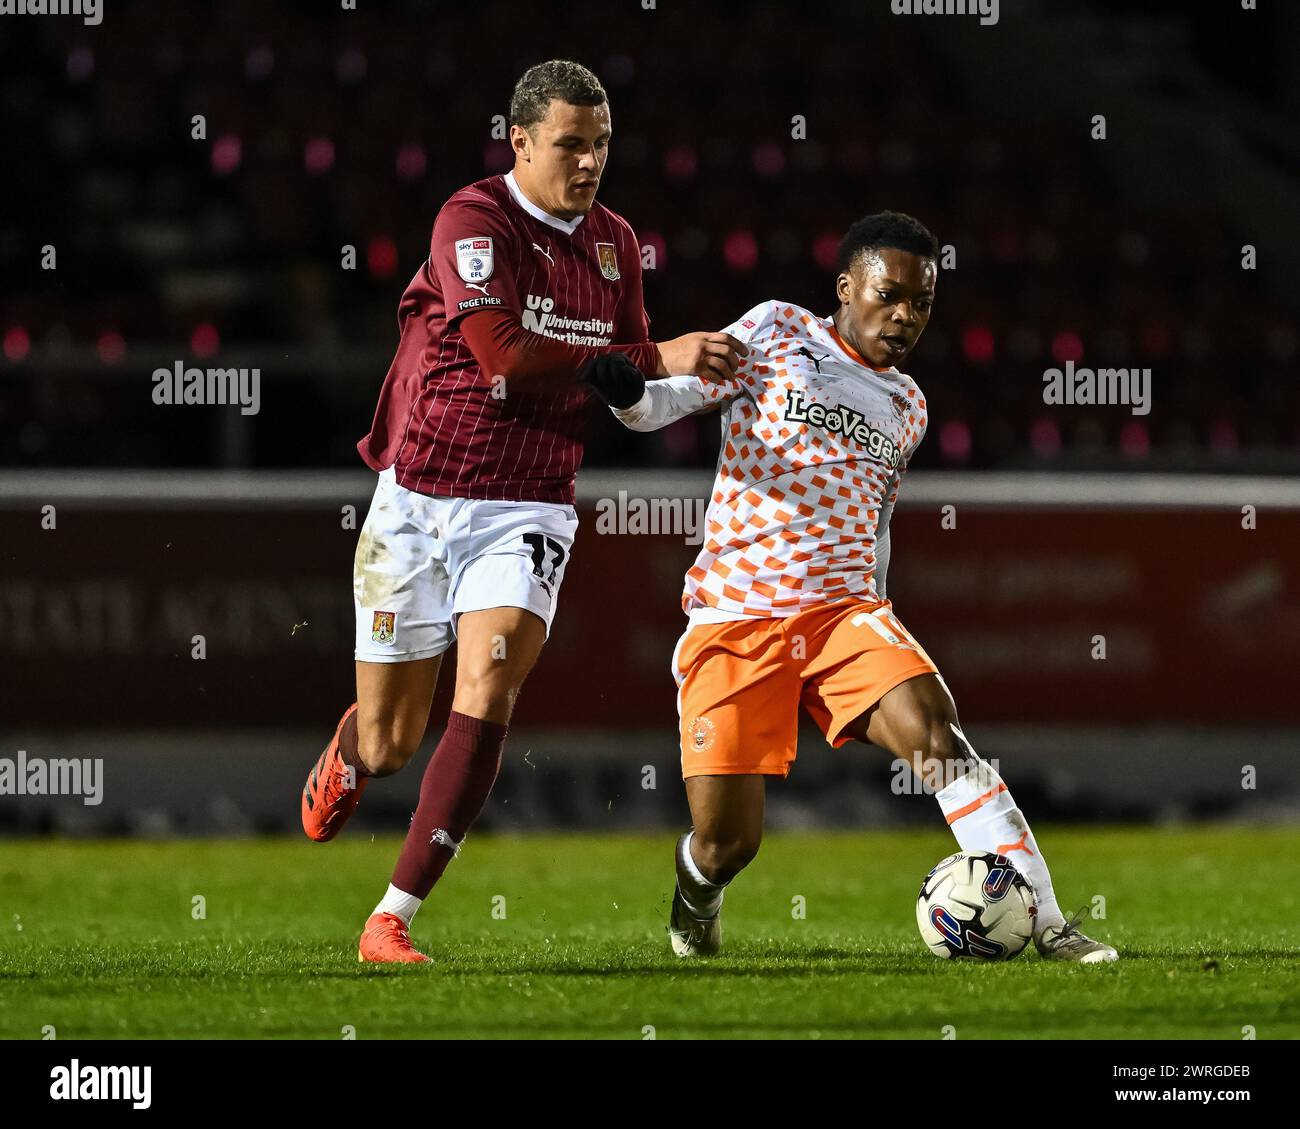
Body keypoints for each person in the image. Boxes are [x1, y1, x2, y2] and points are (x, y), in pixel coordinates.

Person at [299, 59, 744, 963]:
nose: (589, 164)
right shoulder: (474, 219)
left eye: (603, 145)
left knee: (490, 685)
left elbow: (629, 398)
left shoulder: (615, 244)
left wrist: (698, 384)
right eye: (572, 145)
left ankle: (390, 918)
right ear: (523, 141)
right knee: (392, 742)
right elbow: (500, 358)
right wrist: (658, 357)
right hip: (419, 497)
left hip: (526, 507)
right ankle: (352, 746)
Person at [605, 210, 1118, 963]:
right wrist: (627, 394)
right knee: (728, 841)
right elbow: (667, 405)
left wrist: (879, 611)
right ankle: (696, 893)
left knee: (939, 736)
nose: (905, 315)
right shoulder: (776, 330)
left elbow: (877, 519)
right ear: (846, 286)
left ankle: (1046, 923)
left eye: (922, 302)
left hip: (845, 611)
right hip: (738, 615)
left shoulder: (908, 405)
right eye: (890, 294)